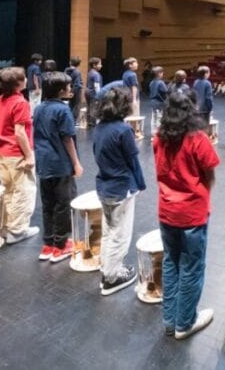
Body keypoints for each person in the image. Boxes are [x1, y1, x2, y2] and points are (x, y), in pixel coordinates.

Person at [154, 91, 220, 339]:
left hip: (167, 210)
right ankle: (185, 322)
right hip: (192, 213)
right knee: (192, 267)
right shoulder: (197, 138)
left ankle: (170, 320)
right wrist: (202, 196)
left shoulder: (159, 138)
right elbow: (210, 173)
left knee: (171, 262)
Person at [93, 86, 147, 295]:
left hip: (104, 186)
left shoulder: (99, 127)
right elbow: (133, 161)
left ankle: (107, 267)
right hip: (121, 187)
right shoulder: (124, 130)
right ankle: (112, 277)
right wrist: (141, 184)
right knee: (120, 235)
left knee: (109, 230)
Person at [33, 71, 83, 263]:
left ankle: (48, 244)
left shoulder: (38, 108)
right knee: (63, 203)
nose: (71, 89)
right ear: (61, 90)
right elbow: (67, 139)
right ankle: (61, 245)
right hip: (60, 163)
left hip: (44, 163)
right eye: (69, 87)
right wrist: (76, 163)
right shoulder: (63, 110)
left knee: (48, 204)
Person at [0, 66, 38, 244]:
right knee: (24, 191)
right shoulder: (21, 103)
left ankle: (6, 227)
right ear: (17, 83)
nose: (26, 79)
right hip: (16, 153)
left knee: (8, 190)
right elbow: (19, 132)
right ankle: (17, 231)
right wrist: (29, 156)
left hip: (1, 152)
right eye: (23, 77)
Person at [85, 57, 103, 125]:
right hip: (93, 93)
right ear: (94, 65)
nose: (101, 66)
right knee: (94, 108)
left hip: (87, 91)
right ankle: (92, 123)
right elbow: (96, 85)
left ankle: (89, 121)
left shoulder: (90, 72)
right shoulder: (96, 74)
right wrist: (99, 94)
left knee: (89, 107)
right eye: (99, 64)